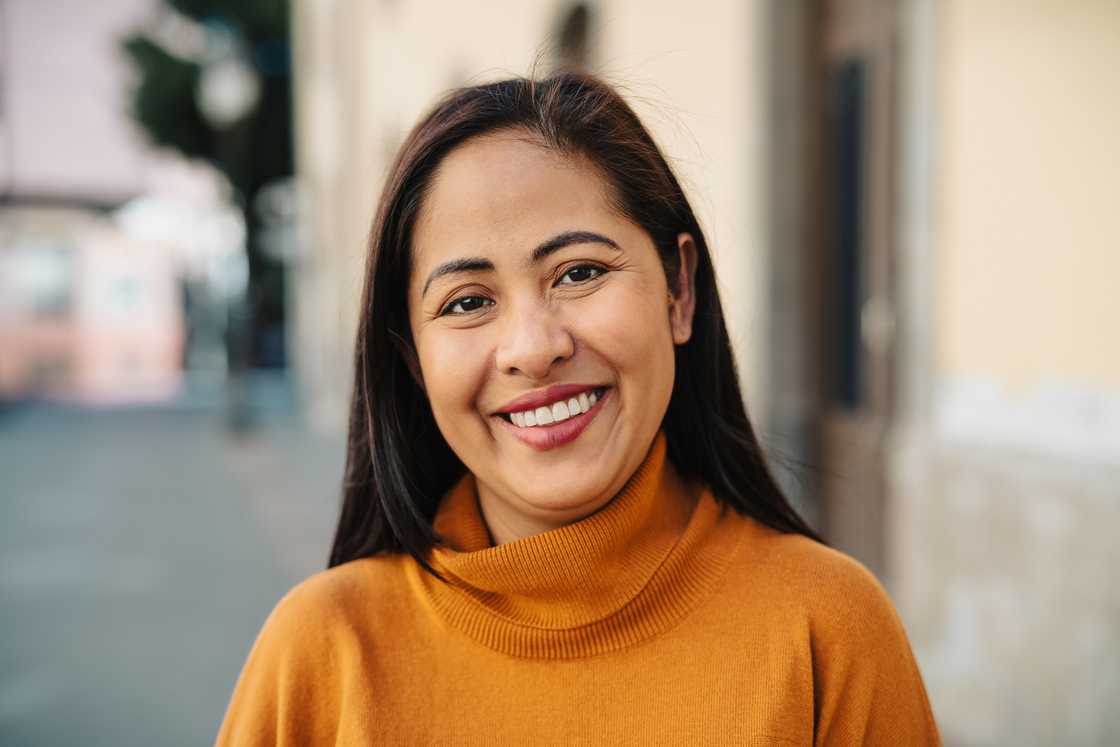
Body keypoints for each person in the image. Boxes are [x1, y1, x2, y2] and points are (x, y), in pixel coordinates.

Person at [216, 72, 940, 745]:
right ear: (413, 358)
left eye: (581, 272)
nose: (532, 348)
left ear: (678, 290)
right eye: (467, 302)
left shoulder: (827, 627)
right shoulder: (320, 653)